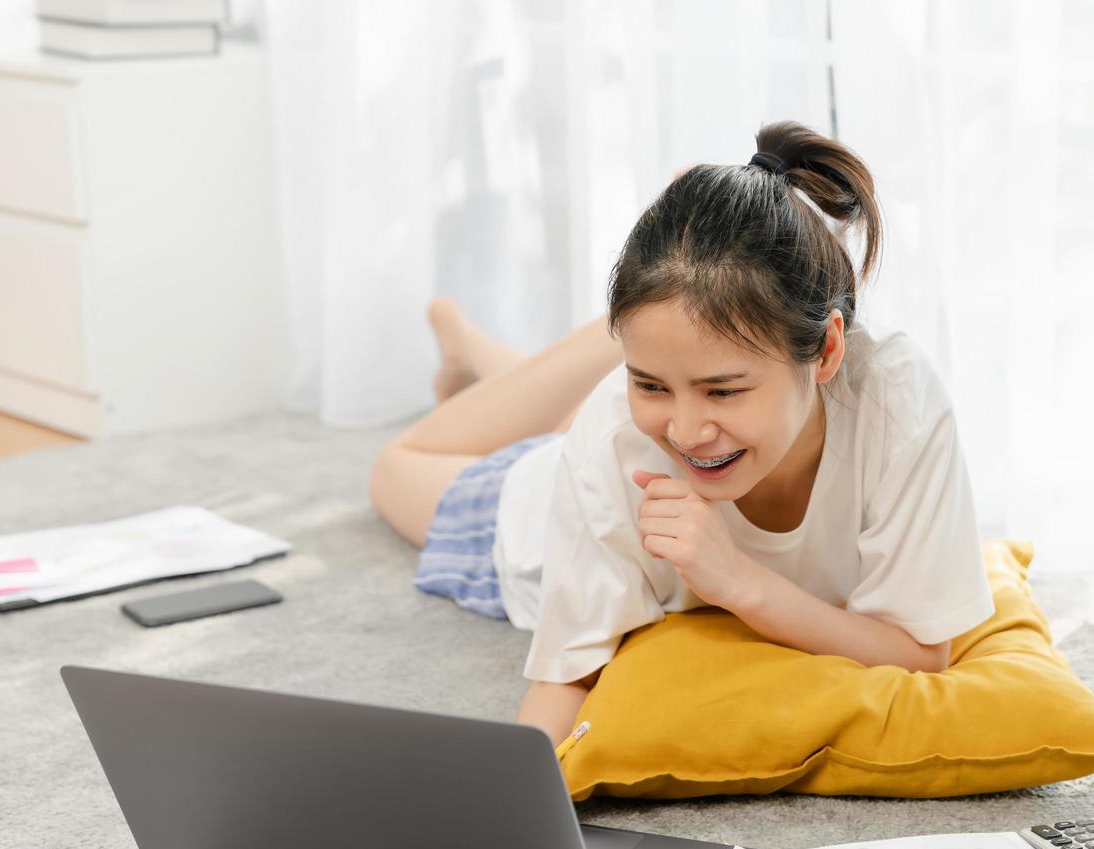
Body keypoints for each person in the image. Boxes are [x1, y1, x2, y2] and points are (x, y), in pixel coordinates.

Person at [370, 120, 995, 746]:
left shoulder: (897, 399)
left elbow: (922, 654)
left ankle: (490, 351)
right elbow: (566, 680)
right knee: (398, 465)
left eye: (724, 390)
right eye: (648, 382)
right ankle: (495, 340)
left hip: (609, 437)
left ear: (828, 349)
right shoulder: (613, 440)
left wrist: (739, 582)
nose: (690, 431)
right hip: (535, 505)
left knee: (653, 379)